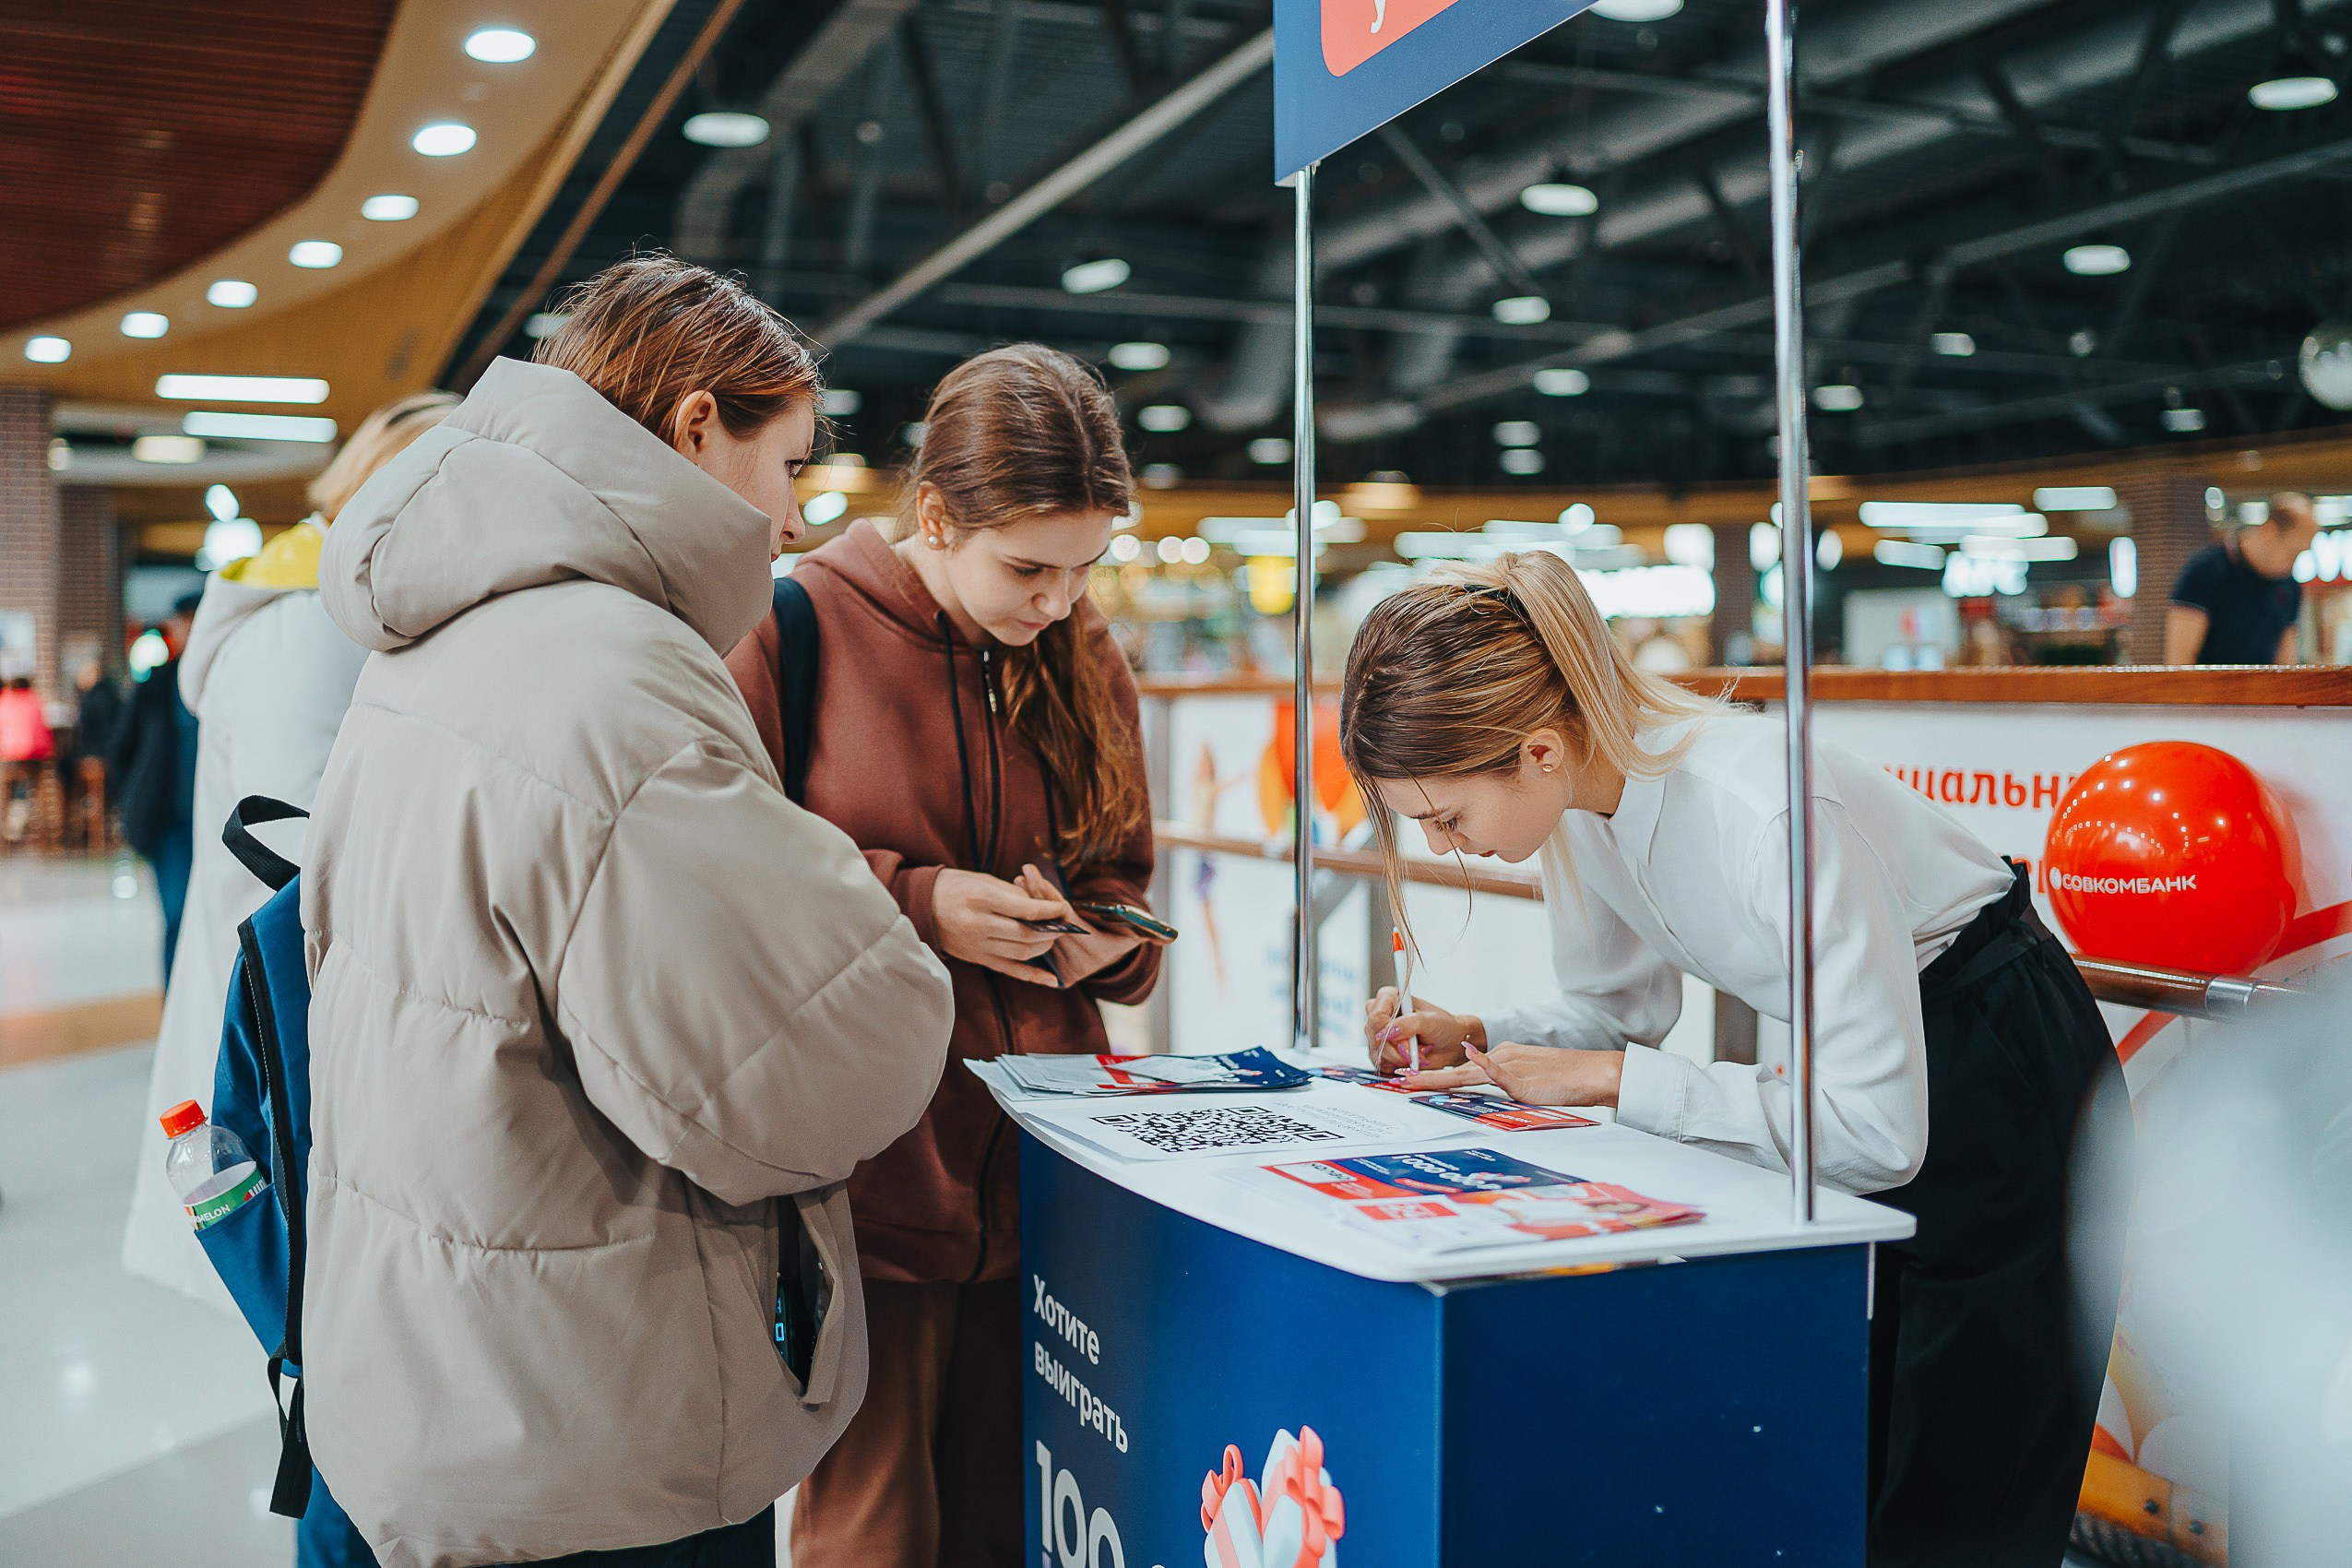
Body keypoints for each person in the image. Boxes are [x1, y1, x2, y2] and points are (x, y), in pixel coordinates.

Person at [302, 255, 956, 1568]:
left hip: (428, 1362)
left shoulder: (441, 629)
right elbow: (788, 1076)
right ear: (696, 427)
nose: (789, 516)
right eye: (789, 467)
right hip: (588, 1417)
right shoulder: (612, 678)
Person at [1338, 550, 2127, 1568]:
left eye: (1449, 817)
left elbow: (1879, 1128)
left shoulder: (1767, 809)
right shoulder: (1578, 800)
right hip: (1888, 1057)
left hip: (2006, 1067)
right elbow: (1619, 1006)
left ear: (1537, 749)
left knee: (1962, 1489)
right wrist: (1481, 1033)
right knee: (1856, 1453)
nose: (1447, 845)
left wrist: (1618, 1081)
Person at [726, 344, 1165, 1568]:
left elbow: (1126, 887)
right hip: (866, 1175)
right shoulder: (793, 624)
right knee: (870, 1533)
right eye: (1029, 567)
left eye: (1085, 569)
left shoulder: (1083, 657)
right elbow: (730, 876)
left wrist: (1095, 946)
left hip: (1047, 1175)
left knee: (1010, 1524)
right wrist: (918, 901)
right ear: (933, 514)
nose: (1059, 603)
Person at [124, 397, 457, 1306]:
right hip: (285, 1038)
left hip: (309, 1031)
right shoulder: (301, 621)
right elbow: (303, 854)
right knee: (307, 1314)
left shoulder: (329, 606)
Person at [112, 595, 201, 978]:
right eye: (185, 622)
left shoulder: (229, 680)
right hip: (171, 822)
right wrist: (135, 800)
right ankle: (176, 1014)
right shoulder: (158, 685)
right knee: (178, 915)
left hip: (222, 823)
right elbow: (122, 748)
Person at [2165, 492, 2319, 664]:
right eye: (2292, 553)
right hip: (2210, 689)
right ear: (2269, 531)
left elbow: (2286, 664)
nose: (2294, 564)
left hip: (2261, 689)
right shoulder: (2206, 571)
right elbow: (2179, 662)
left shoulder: (2289, 586)